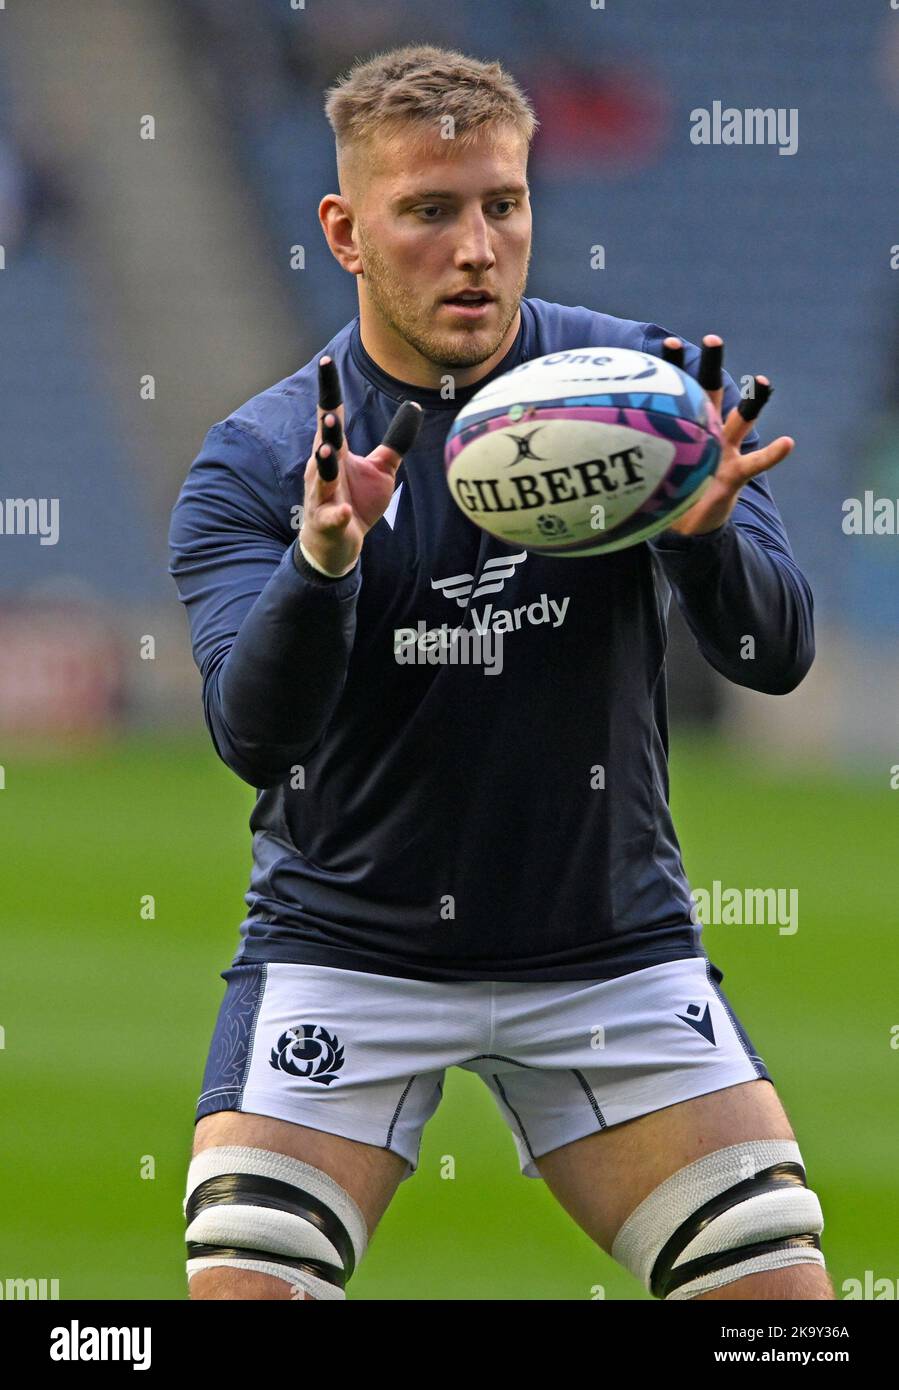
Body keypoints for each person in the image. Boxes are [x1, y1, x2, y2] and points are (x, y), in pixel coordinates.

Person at [169, 43, 830, 1301]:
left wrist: (700, 543)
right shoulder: (260, 461)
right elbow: (252, 738)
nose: (474, 247)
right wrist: (322, 564)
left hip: (607, 947)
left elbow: (774, 655)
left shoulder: (644, 399)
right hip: (345, 951)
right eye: (427, 211)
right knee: (244, 1291)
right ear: (345, 230)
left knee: (781, 1306)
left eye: (501, 205)